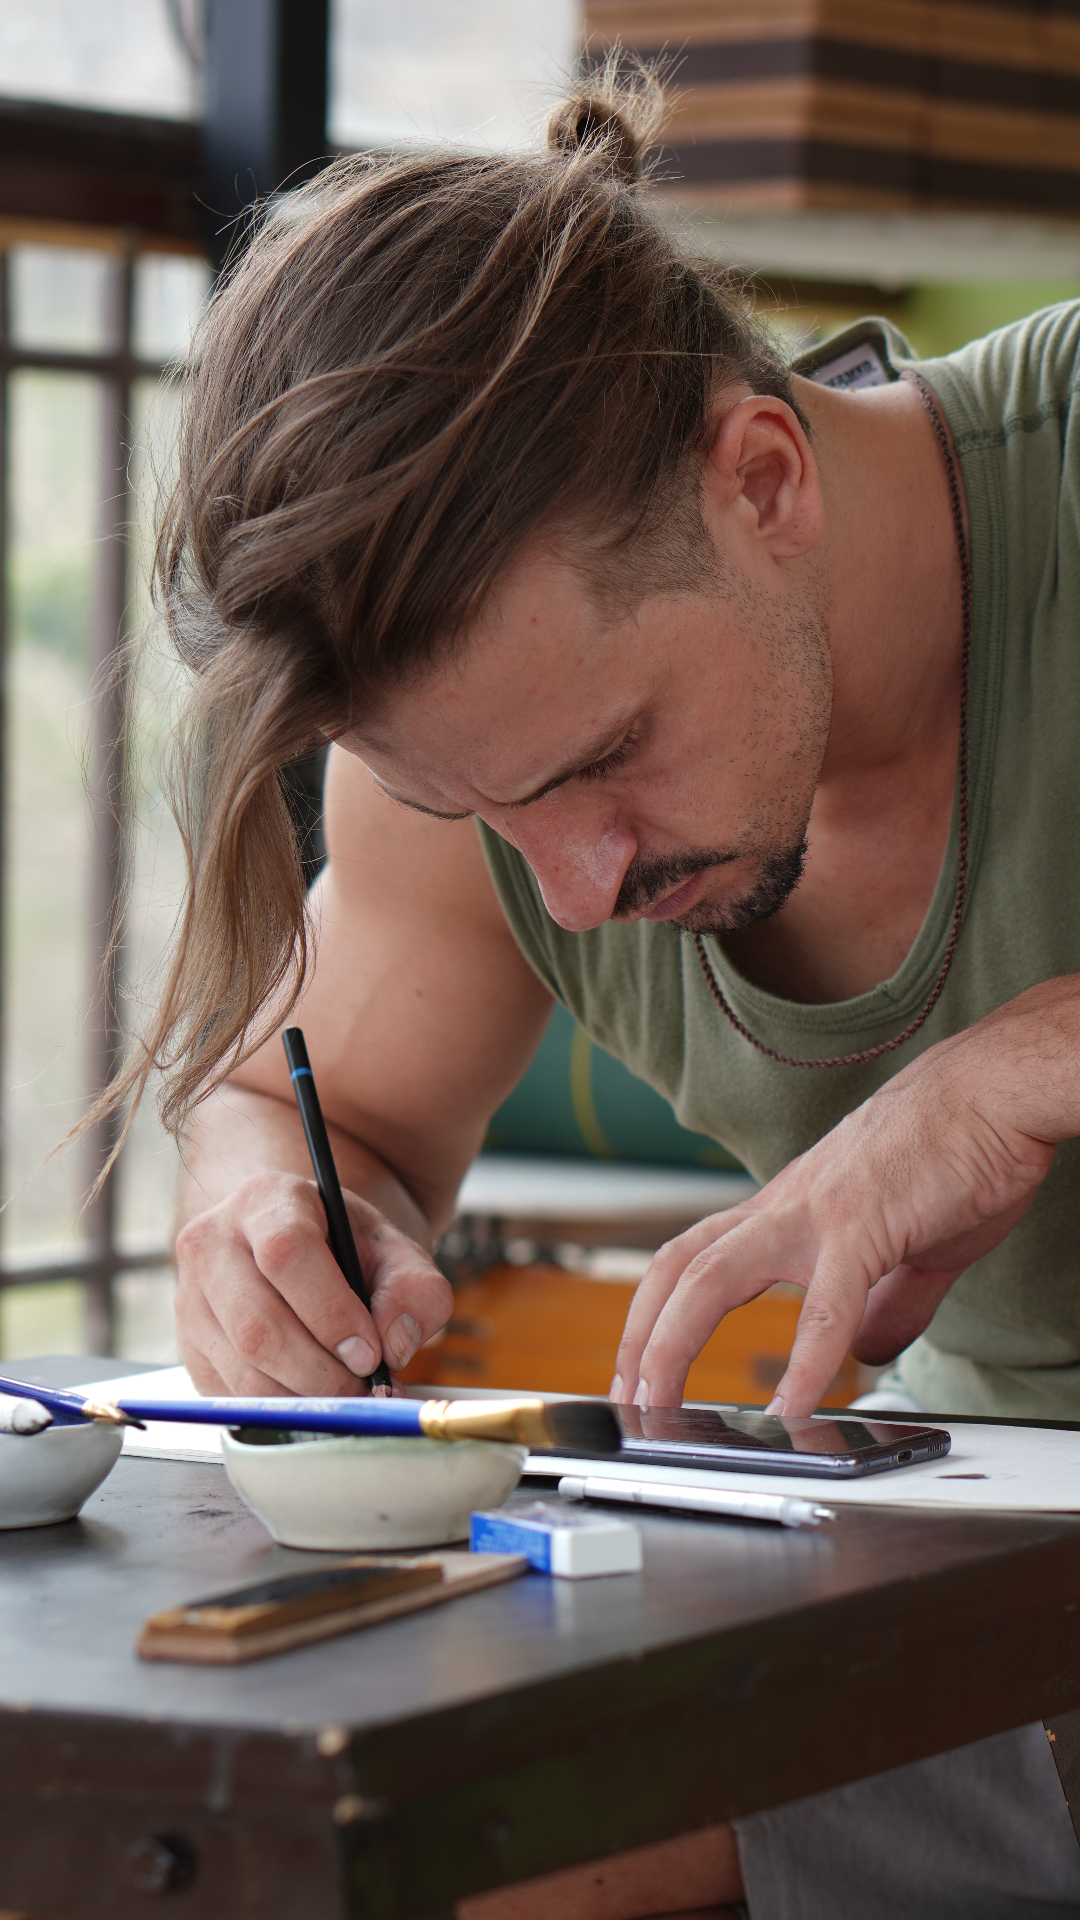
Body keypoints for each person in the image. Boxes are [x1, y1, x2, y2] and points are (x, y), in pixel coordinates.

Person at [127, 57, 1080, 1920]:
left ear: (764, 478)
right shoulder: (486, 758)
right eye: (463, 805)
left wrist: (1017, 1068)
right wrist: (272, 1212)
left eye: (601, 759)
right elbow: (316, 1108)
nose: (574, 886)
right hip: (977, 1575)